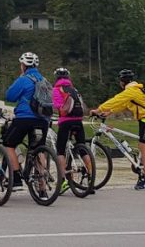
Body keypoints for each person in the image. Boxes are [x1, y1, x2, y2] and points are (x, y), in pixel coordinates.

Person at [92, 69, 145, 190]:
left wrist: (99, 109)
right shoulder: (134, 89)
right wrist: (109, 112)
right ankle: (143, 174)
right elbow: (123, 104)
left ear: (121, 82)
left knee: (143, 146)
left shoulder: (131, 90)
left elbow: (116, 100)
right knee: (142, 145)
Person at [4, 52, 50, 182]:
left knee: (9, 144)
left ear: (23, 65)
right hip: (43, 120)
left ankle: (16, 177)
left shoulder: (24, 79)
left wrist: (19, 80)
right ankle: (42, 187)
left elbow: (9, 96)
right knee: (38, 149)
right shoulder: (44, 80)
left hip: (24, 118)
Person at [52, 67, 92, 195]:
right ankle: (91, 178)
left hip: (65, 121)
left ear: (56, 78)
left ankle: (63, 181)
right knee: (82, 148)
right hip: (78, 121)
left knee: (60, 150)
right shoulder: (74, 90)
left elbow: (57, 106)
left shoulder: (56, 89)